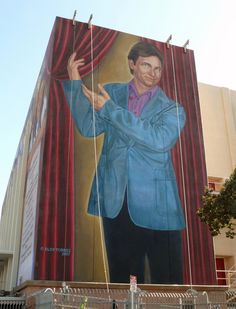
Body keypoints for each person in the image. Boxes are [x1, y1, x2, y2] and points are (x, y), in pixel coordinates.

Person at [63, 41, 186, 284]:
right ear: (132, 64)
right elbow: (88, 127)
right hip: (116, 200)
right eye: (146, 65)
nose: (153, 73)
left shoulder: (172, 109)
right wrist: (75, 81)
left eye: (158, 68)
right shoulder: (112, 94)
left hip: (159, 208)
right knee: (122, 282)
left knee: (169, 284)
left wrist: (110, 110)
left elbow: (158, 140)